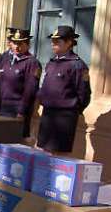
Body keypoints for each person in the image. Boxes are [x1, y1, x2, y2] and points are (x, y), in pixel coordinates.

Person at [37, 25, 91, 154]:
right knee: (44, 151)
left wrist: (74, 109)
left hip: (64, 116)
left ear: (69, 43)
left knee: (58, 154)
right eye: (52, 41)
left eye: (57, 41)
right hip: (48, 113)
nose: (53, 44)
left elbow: (84, 93)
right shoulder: (51, 62)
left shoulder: (77, 65)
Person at [0, 28, 41, 137]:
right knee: (0, 140)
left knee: (15, 142)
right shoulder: (5, 60)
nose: (17, 47)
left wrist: (22, 111)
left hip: (18, 110)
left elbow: (30, 89)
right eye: (15, 43)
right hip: (3, 107)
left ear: (27, 44)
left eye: (20, 43)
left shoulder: (32, 62)